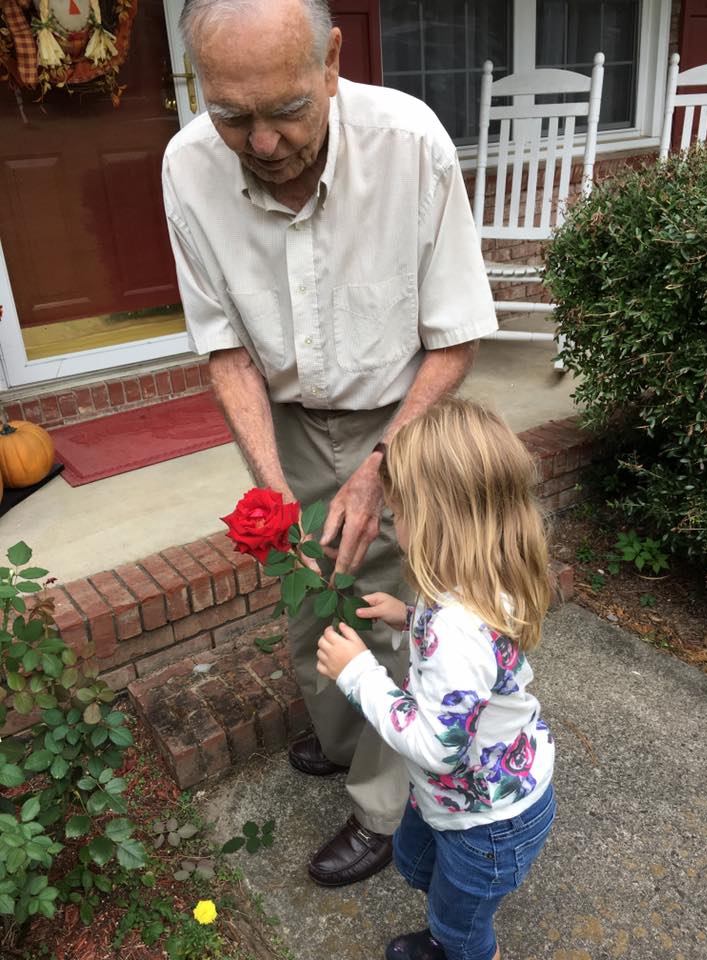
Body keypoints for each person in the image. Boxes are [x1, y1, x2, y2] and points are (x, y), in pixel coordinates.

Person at [162, 0, 497, 886]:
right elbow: (226, 348)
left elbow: (457, 335)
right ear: (201, 85)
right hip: (288, 422)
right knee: (311, 605)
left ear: (333, 60)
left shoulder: (411, 143)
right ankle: (352, 736)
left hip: (404, 416)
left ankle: (385, 810)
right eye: (234, 114)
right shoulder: (186, 166)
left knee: (393, 623)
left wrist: (382, 466)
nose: (263, 144)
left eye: (286, 111)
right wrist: (272, 494)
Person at [317, 397, 556, 960]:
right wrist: (410, 617)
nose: (394, 527)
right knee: (417, 863)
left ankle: (461, 946)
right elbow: (476, 652)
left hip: (486, 823)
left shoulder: (457, 628)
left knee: (464, 928)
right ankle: (448, 928)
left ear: (435, 519)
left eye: (400, 514)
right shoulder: (481, 571)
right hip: (466, 798)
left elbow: (437, 747)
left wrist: (359, 676)